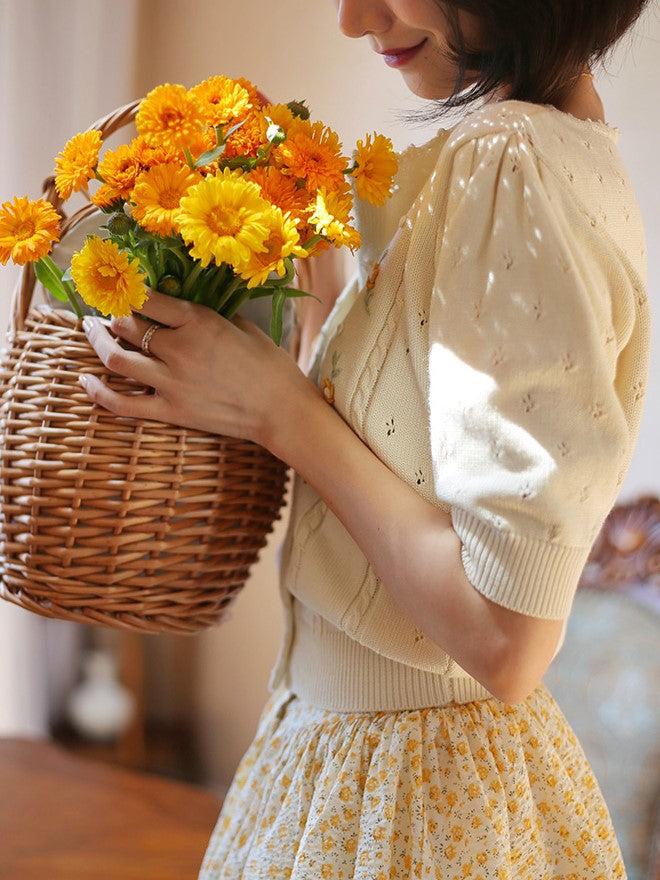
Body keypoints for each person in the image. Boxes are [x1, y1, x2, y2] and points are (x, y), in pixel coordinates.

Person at [79, 1, 652, 876]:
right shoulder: (541, 157)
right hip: (369, 766)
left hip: (411, 796)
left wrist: (282, 410)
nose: (354, 18)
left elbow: (509, 640)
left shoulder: (516, 165)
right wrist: (323, 327)